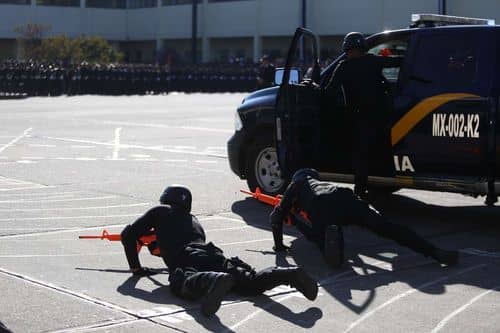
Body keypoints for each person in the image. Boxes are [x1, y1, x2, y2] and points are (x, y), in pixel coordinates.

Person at [121, 185, 318, 317]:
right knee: (250, 283)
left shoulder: (160, 211)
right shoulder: (194, 222)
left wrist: (136, 268)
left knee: (183, 282)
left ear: (166, 200)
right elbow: (167, 243)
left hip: (186, 257)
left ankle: (213, 280)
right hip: (213, 254)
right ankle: (290, 275)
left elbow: (128, 234)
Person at [270, 168, 459, 268]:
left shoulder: (296, 184)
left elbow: (275, 217)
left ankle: (333, 244)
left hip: (322, 204)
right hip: (344, 196)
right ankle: (435, 252)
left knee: (317, 236)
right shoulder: (319, 182)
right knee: (387, 227)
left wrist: (284, 238)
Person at [325, 32, 402, 197]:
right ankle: (383, 180)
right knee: (380, 150)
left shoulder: (343, 67)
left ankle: (360, 191)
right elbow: (396, 62)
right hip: (380, 117)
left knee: (361, 155)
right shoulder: (373, 61)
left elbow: (329, 91)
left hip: (359, 118)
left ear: (347, 49)